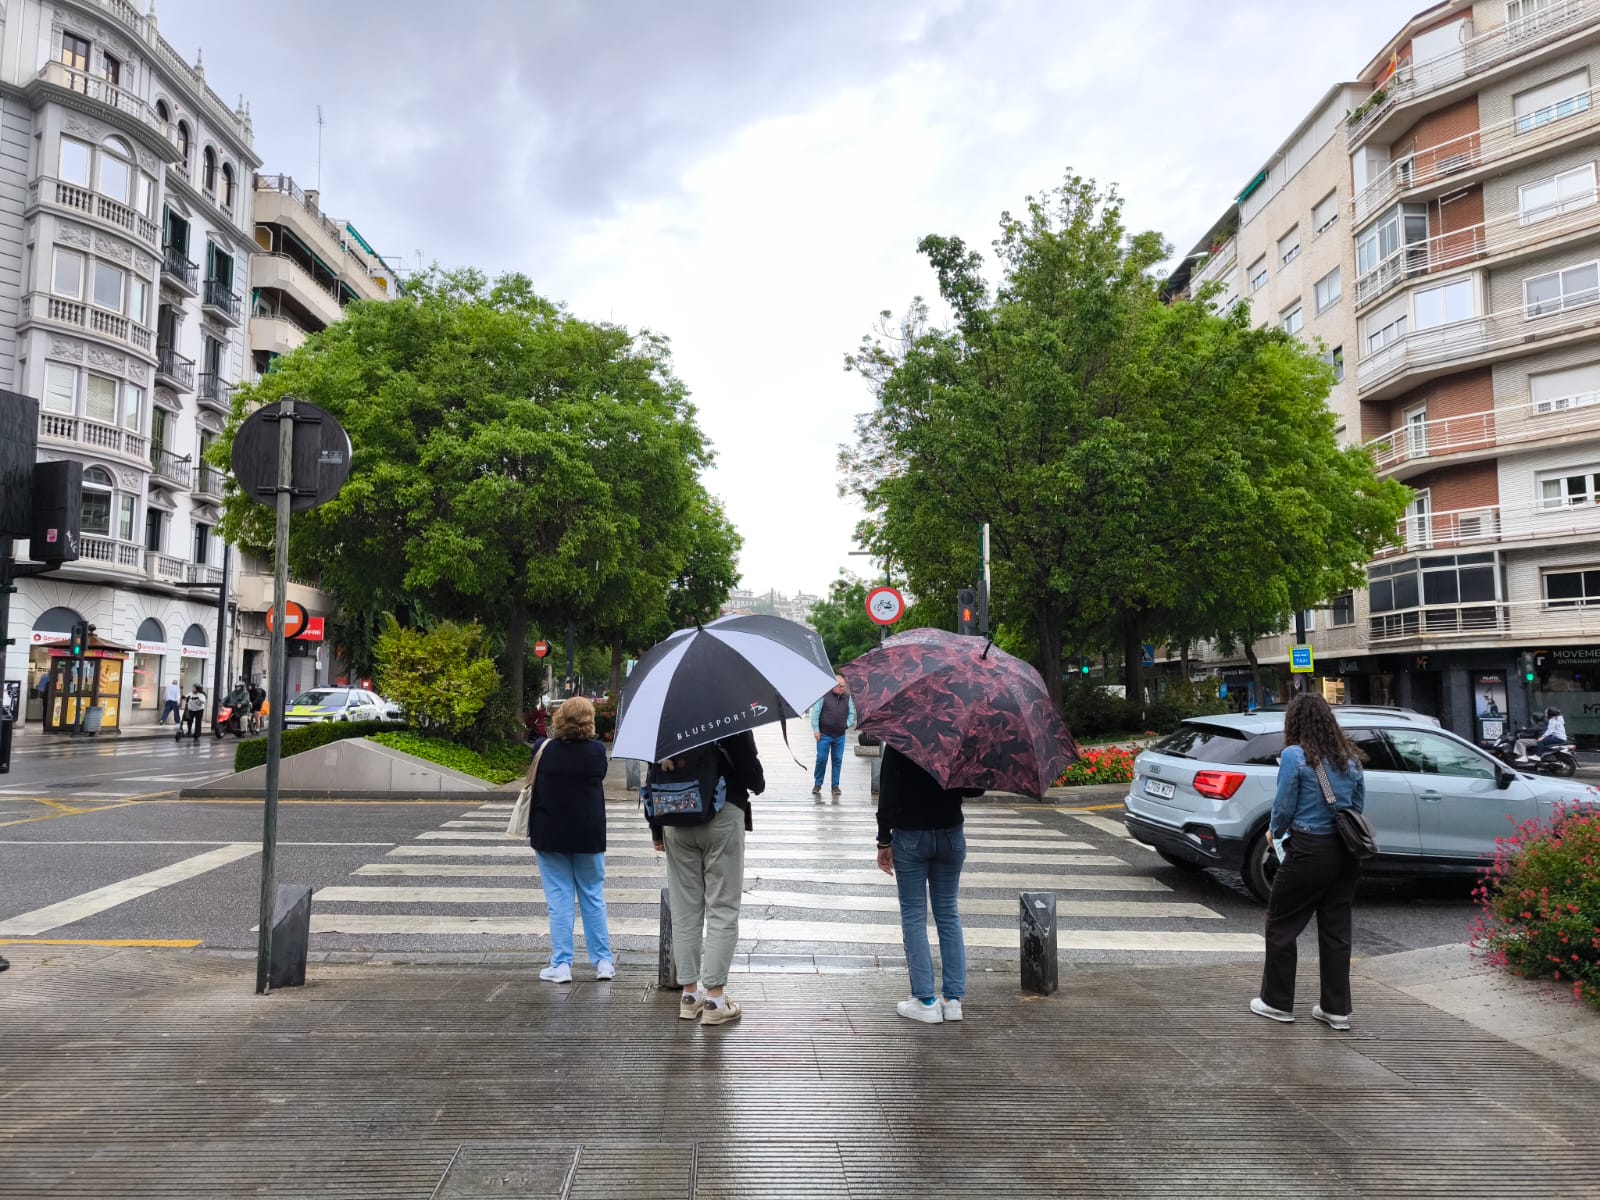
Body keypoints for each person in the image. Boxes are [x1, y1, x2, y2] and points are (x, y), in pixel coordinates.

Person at [1252, 692, 1366, 1031]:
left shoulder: (1294, 756)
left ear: (1294, 722)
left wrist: (1275, 832)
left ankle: (1277, 1002)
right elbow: (1356, 807)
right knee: (1336, 929)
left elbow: (1285, 804)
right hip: (1345, 852)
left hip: (1308, 849)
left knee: (1281, 924)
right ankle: (1336, 1009)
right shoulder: (1351, 758)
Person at [649, 729, 764, 1026]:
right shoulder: (728, 716)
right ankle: (714, 999)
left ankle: (689, 996)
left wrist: (655, 830)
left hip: (675, 816)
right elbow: (751, 771)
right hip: (722, 815)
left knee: (685, 910)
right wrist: (757, 781)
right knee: (722, 907)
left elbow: (651, 778)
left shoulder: (665, 719)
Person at [876, 745, 980, 1024]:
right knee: (948, 913)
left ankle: (925, 1000)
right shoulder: (957, 734)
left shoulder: (901, 736)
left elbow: (887, 790)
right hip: (950, 832)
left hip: (910, 835)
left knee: (914, 915)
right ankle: (953, 1000)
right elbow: (974, 789)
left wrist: (883, 840)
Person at [525, 697, 612, 983]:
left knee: (559, 898)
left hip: (550, 833)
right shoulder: (597, 752)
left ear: (559, 718)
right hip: (588, 834)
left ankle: (561, 964)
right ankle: (603, 963)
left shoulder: (543, 749)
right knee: (592, 896)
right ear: (590, 721)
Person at [810, 675, 856, 800]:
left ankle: (835, 786)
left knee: (837, 760)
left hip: (840, 735)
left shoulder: (847, 697)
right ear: (832, 686)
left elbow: (852, 713)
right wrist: (816, 730)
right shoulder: (823, 696)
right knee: (821, 759)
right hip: (824, 734)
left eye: (843, 686)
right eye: (840, 686)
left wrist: (846, 724)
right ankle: (818, 784)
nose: (842, 688)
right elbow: (815, 714)